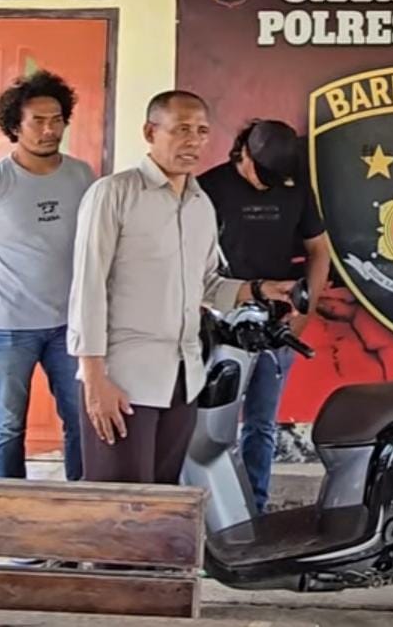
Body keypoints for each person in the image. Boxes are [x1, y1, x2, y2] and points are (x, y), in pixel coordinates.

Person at [67, 91, 299, 485]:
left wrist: (260, 290)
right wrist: (94, 379)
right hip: (124, 379)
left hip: (183, 378)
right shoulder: (114, 194)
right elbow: (88, 288)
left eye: (202, 131)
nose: (193, 141)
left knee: (164, 502)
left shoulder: (200, 205)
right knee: (121, 503)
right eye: (181, 130)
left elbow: (207, 285)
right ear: (150, 132)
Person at [0, 71, 95, 482]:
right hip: (7, 327)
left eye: (57, 120)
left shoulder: (82, 176)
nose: (49, 130)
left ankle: (80, 504)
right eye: (38, 121)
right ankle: (11, 507)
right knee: (8, 425)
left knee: (80, 419)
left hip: (68, 324)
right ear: (15, 125)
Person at [198, 119, 330, 512]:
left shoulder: (296, 188)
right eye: (263, 176)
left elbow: (319, 250)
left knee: (262, 423)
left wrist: (304, 310)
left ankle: (254, 508)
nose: (269, 186)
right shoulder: (208, 188)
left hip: (277, 324)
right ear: (244, 154)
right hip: (221, 321)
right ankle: (208, 508)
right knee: (210, 425)